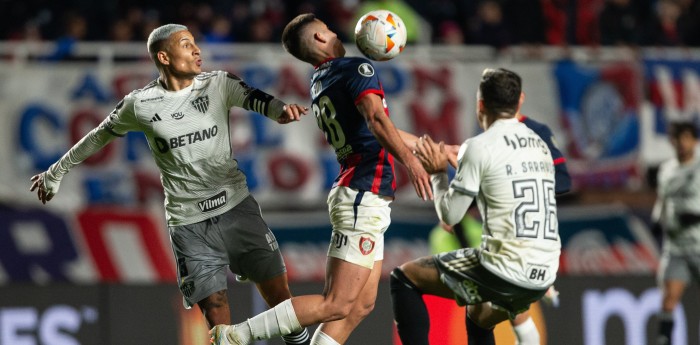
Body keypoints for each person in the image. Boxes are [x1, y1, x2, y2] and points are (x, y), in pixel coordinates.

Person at [29, 23, 311, 345]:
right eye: (186, 44)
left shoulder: (218, 83)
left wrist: (281, 111)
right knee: (220, 324)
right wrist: (57, 171)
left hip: (237, 208)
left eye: (195, 44)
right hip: (190, 224)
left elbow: (258, 99)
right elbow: (97, 136)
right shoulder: (140, 104)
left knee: (282, 304)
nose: (197, 50)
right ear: (164, 56)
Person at [210, 13, 434, 345]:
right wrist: (412, 162)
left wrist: (424, 146)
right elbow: (375, 119)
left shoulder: (322, 79)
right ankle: (237, 336)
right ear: (318, 39)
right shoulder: (357, 69)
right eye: (329, 30)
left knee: (359, 305)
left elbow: (377, 126)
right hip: (363, 191)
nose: (337, 34)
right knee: (337, 302)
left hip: (362, 191)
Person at [391, 68, 561, 345]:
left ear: (479, 105)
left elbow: (449, 215)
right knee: (479, 314)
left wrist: (438, 174)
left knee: (404, 278)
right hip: (545, 271)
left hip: (505, 268)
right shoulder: (540, 146)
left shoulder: (480, 146)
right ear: (520, 102)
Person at [652, 121, 700, 345]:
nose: (682, 143)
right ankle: (664, 340)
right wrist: (656, 219)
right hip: (677, 247)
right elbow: (663, 201)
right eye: (678, 138)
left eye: (686, 137)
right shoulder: (667, 170)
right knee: (669, 298)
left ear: (695, 140)